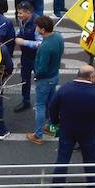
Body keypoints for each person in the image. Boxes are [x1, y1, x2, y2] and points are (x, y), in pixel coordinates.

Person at [49, 65, 95, 188]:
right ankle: (92, 186)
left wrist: (57, 122)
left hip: (67, 129)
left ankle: (57, 187)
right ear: (91, 77)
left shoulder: (64, 89)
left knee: (63, 157)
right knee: (90, 159)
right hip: (88, 131)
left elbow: (52, 107)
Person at [29, 15, 63, 144]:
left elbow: (42, 67)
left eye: (37, 26)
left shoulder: (45, 46)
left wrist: (37, 75)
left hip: (45, 79)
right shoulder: (58, 37)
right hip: (54, 75)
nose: (36, 28)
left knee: (40, 106)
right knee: (51, 103)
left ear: (43, 30)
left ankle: (38, 135)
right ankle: (51, 126)